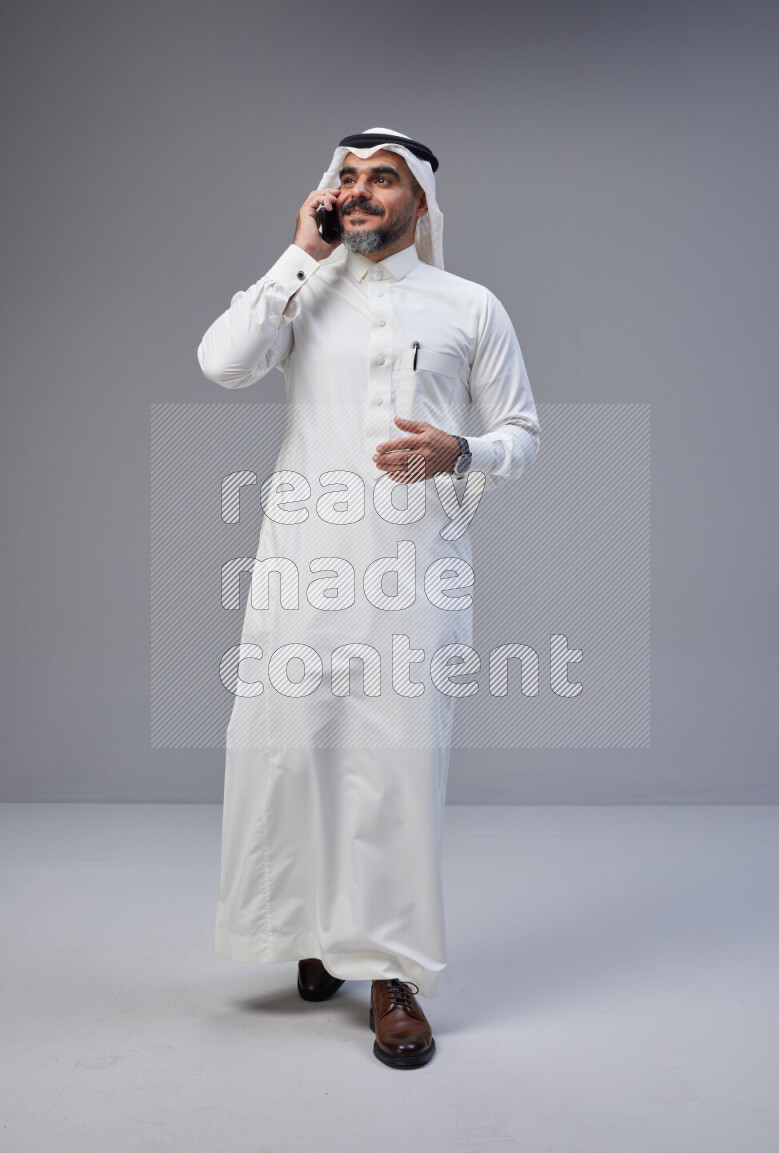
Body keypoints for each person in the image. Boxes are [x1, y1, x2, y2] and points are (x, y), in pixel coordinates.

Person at [197, 127, 541, 1069]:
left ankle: (392, 971)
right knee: (294, 750)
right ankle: (315, 931)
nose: (358, 192)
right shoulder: (300, 292)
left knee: (394, 763)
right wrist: (296, 256)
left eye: (381, 180)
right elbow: (223, 362)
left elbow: (523, 431)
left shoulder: (469, 304)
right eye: (344, 179)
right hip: (303, 565)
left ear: (419, 203)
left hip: (415, 572)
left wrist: (458, 452)